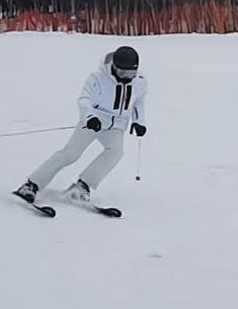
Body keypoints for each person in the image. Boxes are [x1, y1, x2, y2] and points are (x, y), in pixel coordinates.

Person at [15, 45, 147, 203]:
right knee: (71, 153)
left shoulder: (140, 81)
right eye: (122, 72)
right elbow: (84, 99)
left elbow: (138, 102)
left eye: (130, 73)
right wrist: (90, 117)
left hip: (116, 126)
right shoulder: (98, 78)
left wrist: (139, 122)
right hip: (93, 121)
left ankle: (82, 186)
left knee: (115, 152)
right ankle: (31, 185)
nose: (126, 77)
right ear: (114, 67)